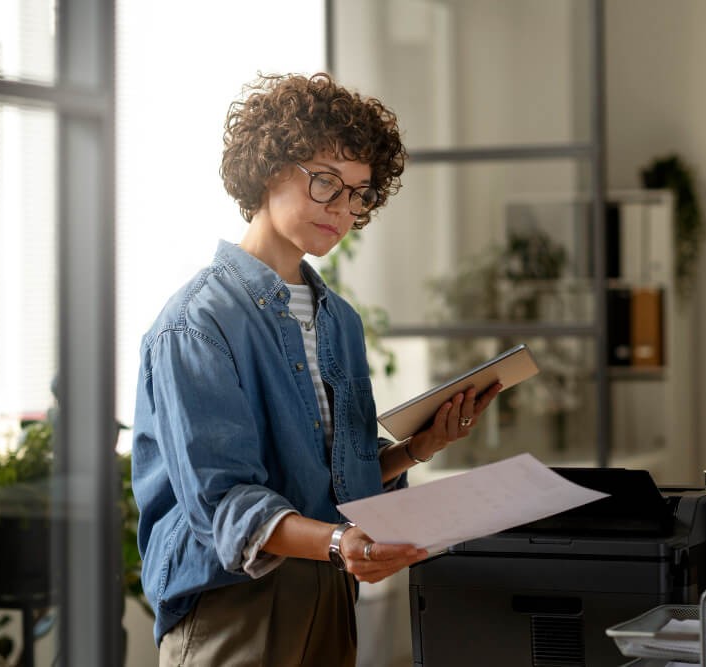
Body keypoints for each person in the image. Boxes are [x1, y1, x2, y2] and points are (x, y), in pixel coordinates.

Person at [130, 72, 501, 667]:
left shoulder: (340, 322)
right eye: (326, 183)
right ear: (269, 168)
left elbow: (333, 482)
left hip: (329, 586)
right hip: (236, 604)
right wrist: (336, 541)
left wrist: (417, 448)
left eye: (358, 193)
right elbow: (223, 503)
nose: (344, 209)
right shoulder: (195, 325)